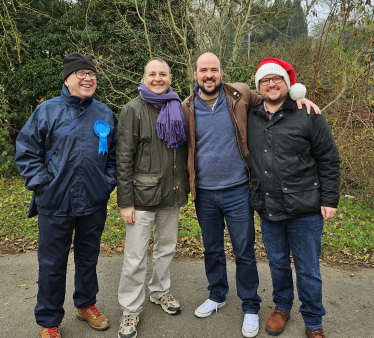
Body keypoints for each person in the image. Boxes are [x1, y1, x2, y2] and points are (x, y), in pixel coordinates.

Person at [181, 52, 320, 338]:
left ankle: (250, 306)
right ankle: (217, 294)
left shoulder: (240, 94)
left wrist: (299, 98)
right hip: (205, 193)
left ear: (222, 72)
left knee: (244, 252)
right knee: (212, 250)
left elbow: (275, 99)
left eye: (214, 70)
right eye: (203, 70)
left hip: (239, 190)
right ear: (195, 74)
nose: (209, 75)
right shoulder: (185, 107)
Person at [15, 52, 118, 338]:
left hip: (92, 203)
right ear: (68, 79)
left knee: (89, 258)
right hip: (55, 202)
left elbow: (114, 158)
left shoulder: (105, 114)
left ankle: (86, 305)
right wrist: (43, 185)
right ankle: (49, 321)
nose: (88, 78)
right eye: (81, 73)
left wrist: (105, 184)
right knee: (52, 264)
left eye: (92, 74)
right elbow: (26, 151)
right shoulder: (47, 110)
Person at [247, 58, 340, 338]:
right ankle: (282, 307)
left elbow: (329, 159)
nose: (271, 84)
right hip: (268, 207)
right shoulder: (250, 115)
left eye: (277, 79)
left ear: (289, 85)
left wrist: (330, 199)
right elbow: (222, 89)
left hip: (305, 209)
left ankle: (313, 321)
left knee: (308, 270)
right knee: (277, 263)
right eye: (265, 80)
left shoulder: (308, 113)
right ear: (258, 87)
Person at [116, 57, 189, 338]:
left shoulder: (178, 108)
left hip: (171, 192)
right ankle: (130, 310)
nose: (158, 78)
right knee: (135, 258)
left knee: (166, 249)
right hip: (141, 197)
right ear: (143, 78)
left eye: (163, 74)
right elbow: (123, 158)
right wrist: (125, 201)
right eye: (152, 74)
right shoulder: (132, 110)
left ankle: (159, 291)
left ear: (171, 78)